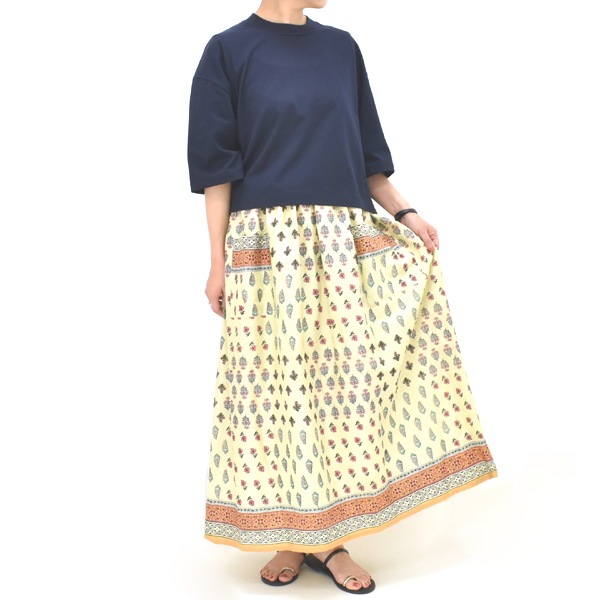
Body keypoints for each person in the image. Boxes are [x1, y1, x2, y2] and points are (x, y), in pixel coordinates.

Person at [187, 0, 497, 594]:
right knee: (276, 394)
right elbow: (217, 171)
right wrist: (217, 261)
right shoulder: (227, 51)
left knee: (345, 394)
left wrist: (406, 213)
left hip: (342, 244)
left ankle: (330, 537)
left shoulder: (341, 48)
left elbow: (368, 159)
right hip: (266, 248)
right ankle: (298, 533)